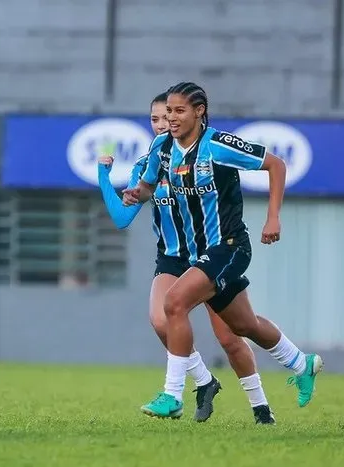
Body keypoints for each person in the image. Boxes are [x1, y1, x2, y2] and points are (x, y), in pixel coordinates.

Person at [122, 82, 324, 419]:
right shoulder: (162, 147)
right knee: (244, 325)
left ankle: (173, 396)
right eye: (168, 112)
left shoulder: (217, 144)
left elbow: (276, 165)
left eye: (179, 111)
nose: (171, 119)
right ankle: (301, 362)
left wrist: (273, 218)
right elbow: (146, 187)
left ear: (199, 112)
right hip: (187, 256)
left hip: (228, 246)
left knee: (174, 303)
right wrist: (136, 194)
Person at [98, 92, 275, 424]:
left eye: (168, 116)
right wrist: (103, 177)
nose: (163, 124)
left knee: (231, 338)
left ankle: (261, 407)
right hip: (173, 258)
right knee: (161, 320)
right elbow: (123, 217)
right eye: (156, 119)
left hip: (210, 254)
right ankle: (203, 381)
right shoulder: (150, 162)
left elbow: (239, 179)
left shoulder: (202, 154)